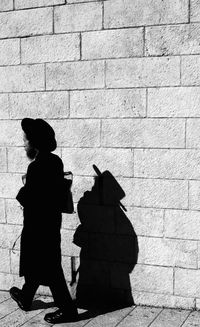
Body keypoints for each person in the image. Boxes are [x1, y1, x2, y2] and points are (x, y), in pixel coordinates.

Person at [9, 118, 78, 324]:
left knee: (50, 268)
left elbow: (29, 197)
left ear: (34, 142)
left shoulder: (37, 166)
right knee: (36, 262)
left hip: (38, 226)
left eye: (26, 140)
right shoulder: (55, 161)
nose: (24, 144)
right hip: (49, 224)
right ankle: (26, 296)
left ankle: (68, 310)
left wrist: (23, 188)